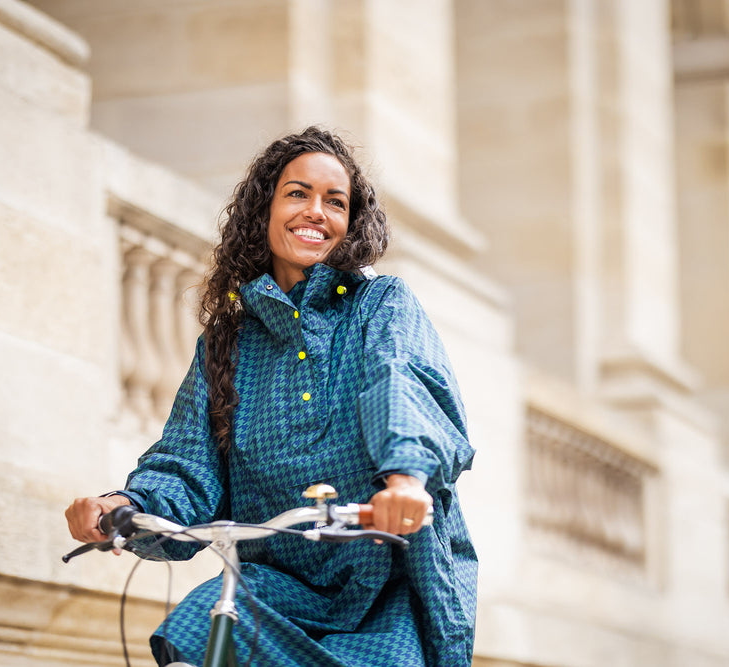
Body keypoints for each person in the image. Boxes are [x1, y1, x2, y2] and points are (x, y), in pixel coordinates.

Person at [65, 126, 477, 666]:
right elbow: (188, 464)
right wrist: (125, 507)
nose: (316, 212)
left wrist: (404, 481)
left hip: (384, 586)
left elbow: (401, 383)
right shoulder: (228, 342)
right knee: (200, 632)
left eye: (336, 201)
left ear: (350, 223)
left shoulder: (381, 304)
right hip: (273, 584)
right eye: (298, 193)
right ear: (265, 208)